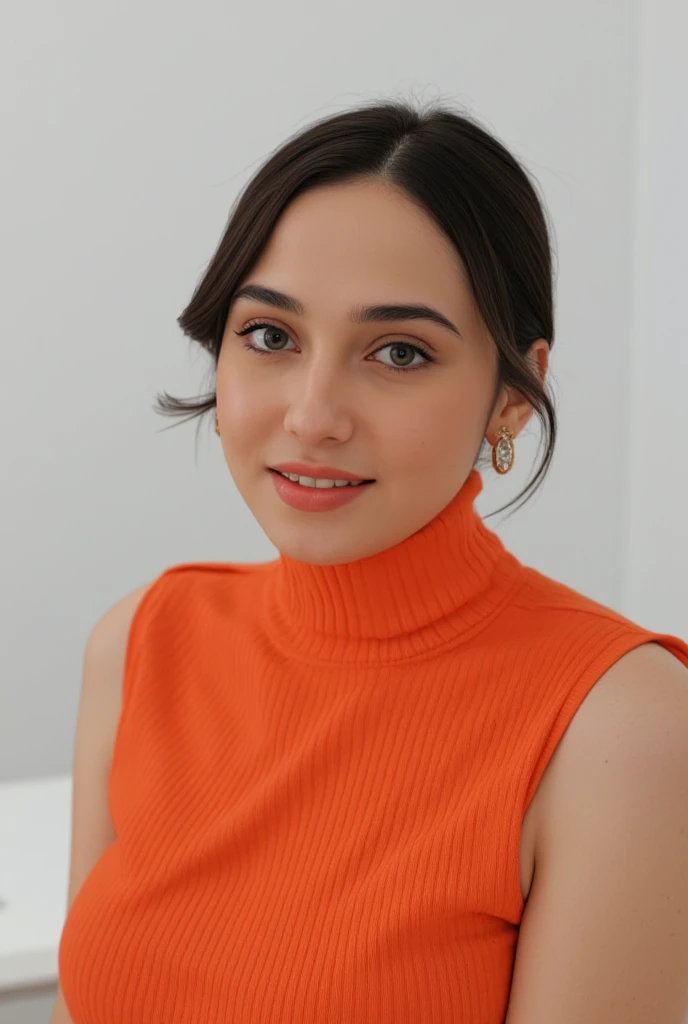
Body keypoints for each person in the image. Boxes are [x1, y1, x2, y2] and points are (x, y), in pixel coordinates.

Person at [53, 99, 688, 1024]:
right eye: (270, 336)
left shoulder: (616, 726)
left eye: (399, 351)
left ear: (514, 397)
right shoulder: (142, 645)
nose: (313, 415)